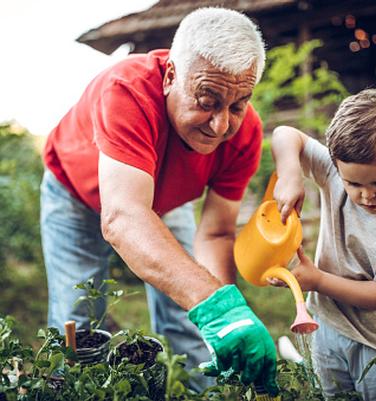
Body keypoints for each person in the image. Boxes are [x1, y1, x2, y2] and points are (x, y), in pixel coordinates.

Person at [40, 6, 279, 395]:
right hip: (76, 195)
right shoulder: (127, 89)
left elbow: (217, 234)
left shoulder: (245, 133)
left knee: (191, 318)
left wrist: (228, 314)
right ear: (171, 76)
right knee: (78, 320)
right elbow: (124, 217)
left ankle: (207, 391)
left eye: (237, 105)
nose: (221, 125)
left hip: (163, 202)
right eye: (207, 100)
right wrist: (217, 306)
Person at [270, 89, 376, 400]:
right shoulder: (332, 171)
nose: (367, 195)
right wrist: (290, 175)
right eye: (353, 183)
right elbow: (285, 134)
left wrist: (317, 280)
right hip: (327, 325)